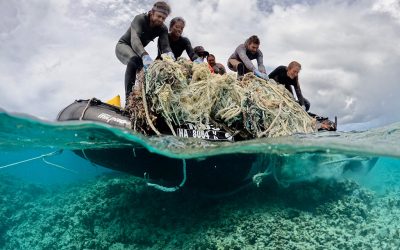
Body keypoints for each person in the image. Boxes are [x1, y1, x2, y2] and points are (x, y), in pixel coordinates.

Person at [115, 1, 173, 102]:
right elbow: (134, 40)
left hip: (138, 52)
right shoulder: (140, 19)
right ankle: (129, 101)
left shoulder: (162, 28)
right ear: (151, 12)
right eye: (159, 16)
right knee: (134, 61)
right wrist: (145, 55)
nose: (161, 20)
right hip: (124, 46)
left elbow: (165, 46)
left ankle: (143, 100)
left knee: (148, 71)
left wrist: (170, 57)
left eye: (163, 18)